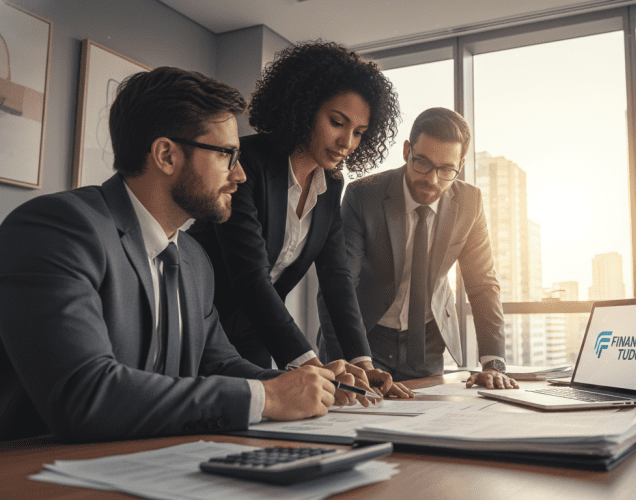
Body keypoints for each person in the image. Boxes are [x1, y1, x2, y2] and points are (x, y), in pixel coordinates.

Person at [0, 67, 364, 442]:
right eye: (227, 155)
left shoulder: (193, 258)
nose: (239, 175)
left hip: (147, 461)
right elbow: (85, 395)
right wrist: (267, 397)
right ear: (166, 155)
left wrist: (309, 385)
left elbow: (219, 364)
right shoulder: (57, 230)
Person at [187, 41, 413, 398]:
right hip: (199, 325)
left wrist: (364, 363)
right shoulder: (248, 164)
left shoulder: (331, 183)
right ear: (304, 108)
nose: (347, 142)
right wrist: (311, 365)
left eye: (358, 132)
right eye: (337, 123)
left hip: (255, 333)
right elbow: (249, 277)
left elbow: (337, 278)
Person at [321, 107, 518, 388]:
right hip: (365, 337)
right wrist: (356, 359)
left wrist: (493, 363)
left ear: (459, 166)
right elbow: (340, 283)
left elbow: (483, 285)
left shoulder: (470, 202)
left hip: (427, 343)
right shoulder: (363, 195)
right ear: (406, 151)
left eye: (446, 169)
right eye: (422, 163)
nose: (431, 179)